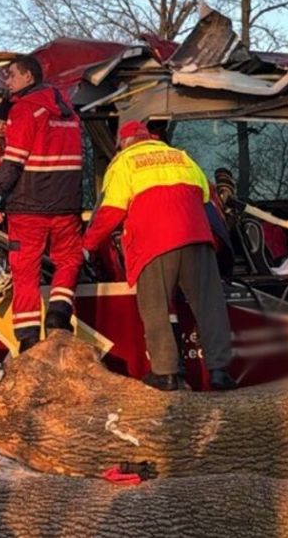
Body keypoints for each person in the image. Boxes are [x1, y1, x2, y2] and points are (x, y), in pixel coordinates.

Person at [82, 121, 236, 391]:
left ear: (123, 144)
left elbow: (112, 210)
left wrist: (88, 244)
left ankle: (165, 373)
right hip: (196, 236)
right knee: (209, 305)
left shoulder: (124, 162)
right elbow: (205, 195)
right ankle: (220, 371)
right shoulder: (181, 156)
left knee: (155, 307)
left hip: (154, 241)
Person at [0, 55, 84, 351]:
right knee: (69, 259)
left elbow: (14, 159)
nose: (8, 81)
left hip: (28, 207)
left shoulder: (25, 109)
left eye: (12, 75)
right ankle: (59, 313)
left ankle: (28, 340)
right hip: (66, 206)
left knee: (25, 272)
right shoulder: (70, 114)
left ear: (29, 76)